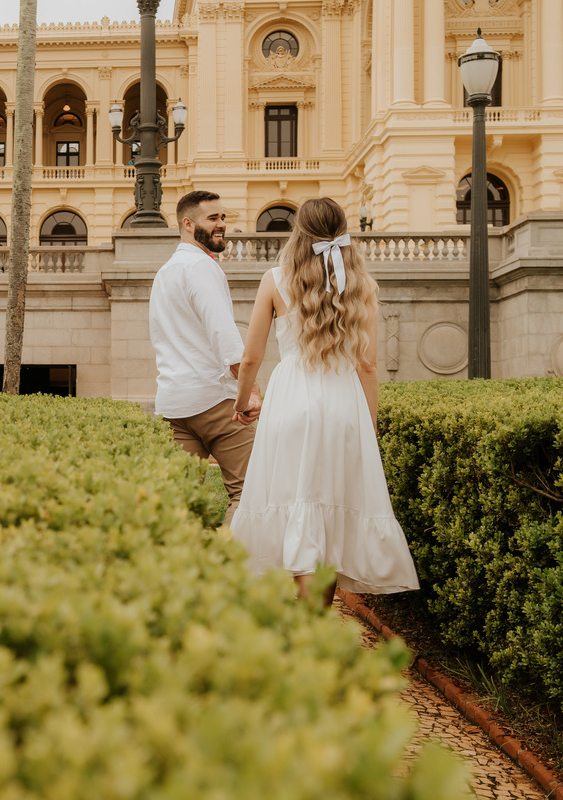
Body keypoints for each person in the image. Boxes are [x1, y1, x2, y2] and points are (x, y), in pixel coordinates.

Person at [230, 197, 419, 604]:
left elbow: (250, 358)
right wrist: (368, 426)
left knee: (297, 502)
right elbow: (368, 366)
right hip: (342, 403)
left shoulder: (275, 280)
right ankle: (316, 617)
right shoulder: (362, 285)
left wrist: (243, 402)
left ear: (299, 232)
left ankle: (303, 620)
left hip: (290, 401)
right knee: (331, 509)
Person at [150, 190, 261, 524]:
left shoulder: (165, 272)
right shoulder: (202, 267)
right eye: (212, 218)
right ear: (188, 223)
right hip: (216, 402)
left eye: (222, 217)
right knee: (249, 495)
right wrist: (250, 391)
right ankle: (229, 556)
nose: (221, 224)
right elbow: (224, 336)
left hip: (174, 405)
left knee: (179, 504)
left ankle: (181, 556)